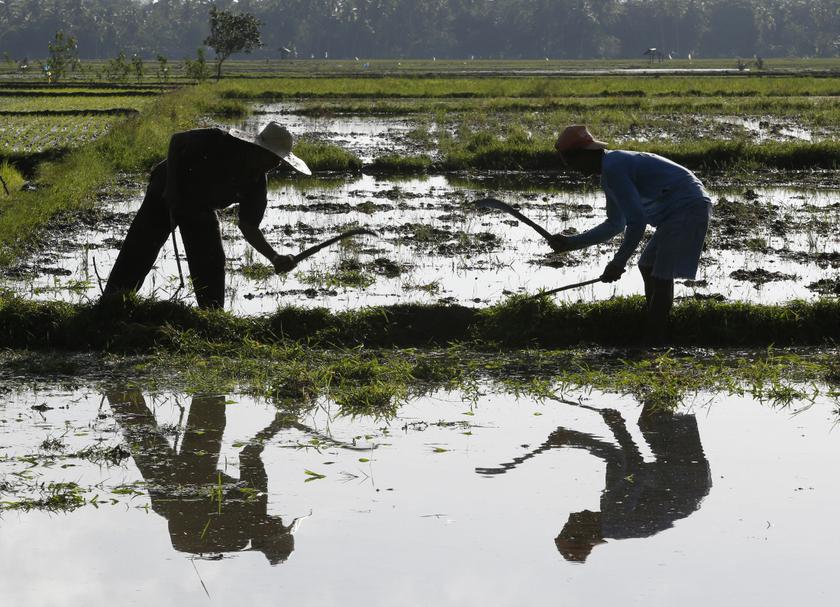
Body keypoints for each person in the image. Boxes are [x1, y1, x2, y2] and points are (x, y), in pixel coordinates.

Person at [104, 122, 311, 308]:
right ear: (258, 148)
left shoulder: (256, 183)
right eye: (273, 157)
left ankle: (212, 315)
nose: (274, 164)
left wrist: (274, 257)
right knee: (141, 248)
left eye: (279, 160)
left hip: (200, 205)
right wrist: (172, 188)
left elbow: (248, 226)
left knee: (211, 259)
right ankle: (110, 304)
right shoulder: (219, 140)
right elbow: (177, 140)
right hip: (166, 188)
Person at [550, 125, 712, 344]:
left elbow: (637, 223)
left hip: (687, 206)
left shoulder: (615, 167)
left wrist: (618, 263)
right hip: (677, 209)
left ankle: (653, 340)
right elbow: (615, 224)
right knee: (647, 267)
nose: (573, 169)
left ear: (585, 154)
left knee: (661, 276)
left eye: (571, 162)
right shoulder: (610, 172)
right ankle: (655, 326)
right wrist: (571, 243)